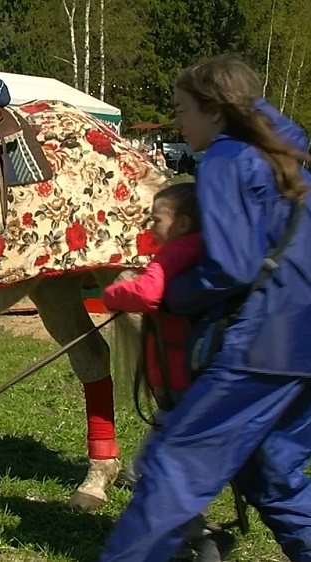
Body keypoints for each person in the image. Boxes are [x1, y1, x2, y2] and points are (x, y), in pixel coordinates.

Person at [98, 54, 311, 562]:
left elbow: (232, 266)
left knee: (175, 462)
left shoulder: (226, 158)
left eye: (181, 109)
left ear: (214, 110)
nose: (178, 121)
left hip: (262, 345)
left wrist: (170, 294)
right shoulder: (288, 157)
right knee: (272, 470)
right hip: (304, 343)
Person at [101, 183, 220, 561]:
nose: (150, 226)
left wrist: (111, 295)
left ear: (182, 223)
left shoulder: (173, 254)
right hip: (190, 383)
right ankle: (184, 541)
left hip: (178, 386)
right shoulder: (202, 251)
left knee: (146, 471)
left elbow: (148, 294)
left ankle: (196, 540)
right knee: (175, 470)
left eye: (156, 219)